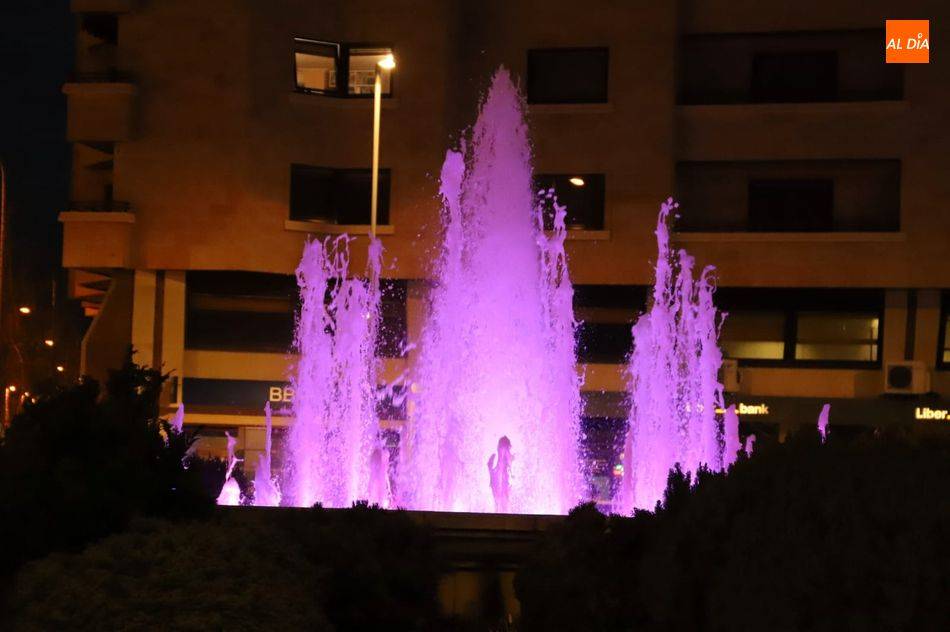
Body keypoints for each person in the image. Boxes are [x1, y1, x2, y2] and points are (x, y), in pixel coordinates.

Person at [487, 435, 512, 513]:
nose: (503, 451)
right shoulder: (505, 460)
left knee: (500, 503)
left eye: (506, 448)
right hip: (498, 479)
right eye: (501, 448)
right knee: (500, 503)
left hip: (501, 480)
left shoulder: (508, 459)